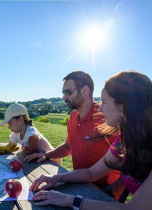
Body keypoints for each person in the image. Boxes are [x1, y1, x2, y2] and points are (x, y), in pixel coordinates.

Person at [30, 70, 152, 209]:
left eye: (104, 102)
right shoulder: (123, 139)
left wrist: (70, 200)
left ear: (125, 105)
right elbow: (91, 173)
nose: (100, 109)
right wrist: (55, 178)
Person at [24, 71, 120, 190]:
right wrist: (46, 155)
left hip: (101, 193)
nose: (64, 97)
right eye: (63, 93)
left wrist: (110, 192)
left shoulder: (107, 118)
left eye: (68, 92)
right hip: (78, 183)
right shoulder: (73, 116)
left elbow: (126, 160)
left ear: (85, 91)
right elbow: (68, 147)